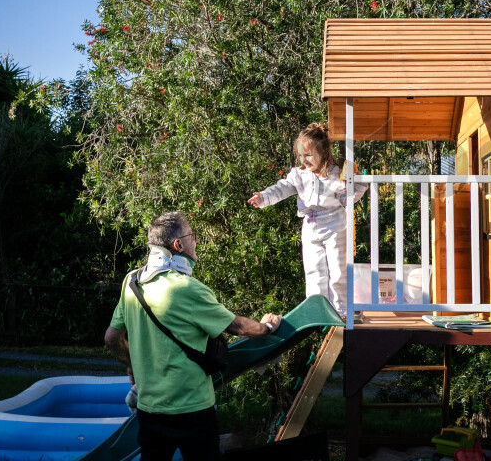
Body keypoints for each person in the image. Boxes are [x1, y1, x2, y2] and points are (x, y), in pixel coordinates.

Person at [105, 211, 282, 461]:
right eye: (193, 236)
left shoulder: (131, 283)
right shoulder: (187, 288)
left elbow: (111, 338)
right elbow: (238, 327)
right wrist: (266, 327)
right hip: (192, 408)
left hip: (149, 408)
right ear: (178, 245)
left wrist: (133, 365)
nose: (196, 241)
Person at [247, 122, 367, 317]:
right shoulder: (299, 174)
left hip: (335, 222)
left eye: (308, 155)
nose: (304, 160)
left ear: (324, 152)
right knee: (314, 269)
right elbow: (282, 187)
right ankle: (318, 308)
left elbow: (347, 199)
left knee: (338, 269)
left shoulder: (337, 173)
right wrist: (263, 197)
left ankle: (343, 308)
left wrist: (359, 183)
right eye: (301, 156)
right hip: (310, 224)